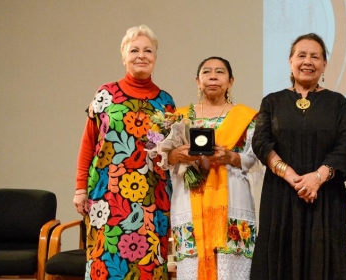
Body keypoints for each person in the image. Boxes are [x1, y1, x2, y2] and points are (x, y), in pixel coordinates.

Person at [72, 24, 175, 279]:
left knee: (149, 265)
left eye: (148, 51)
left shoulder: (166, 103)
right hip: (106, 195)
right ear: (123, 56)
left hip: (152, 198)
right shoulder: (105, 94)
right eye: (134, 50)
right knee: (106, 264)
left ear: (155, 58)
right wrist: (80, 188)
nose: (141, 55)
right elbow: (89, 143)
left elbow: (164, 151)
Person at [251, 33, 346, 280]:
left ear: (324, 65)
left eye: (315, 56)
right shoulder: (272, 101)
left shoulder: (338, 102)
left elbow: (344, 148)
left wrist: (317, 178)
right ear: (290, 61)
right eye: (301, 55)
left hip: (325, 198)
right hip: (281, 197)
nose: (307, 61)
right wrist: (291, 176)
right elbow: (261, 142)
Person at [165, 57, 260, 279]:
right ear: (198, 81)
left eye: (220, 72)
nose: (213, 76)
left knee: (231, 267)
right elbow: (165, 158)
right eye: (207, 72)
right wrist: (177, 154)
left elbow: (255, 158)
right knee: (193, 264)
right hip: (190, 197)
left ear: (231, 81)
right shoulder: (179, 116)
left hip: (233, 197)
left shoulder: (247, 117)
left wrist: (231, 157)